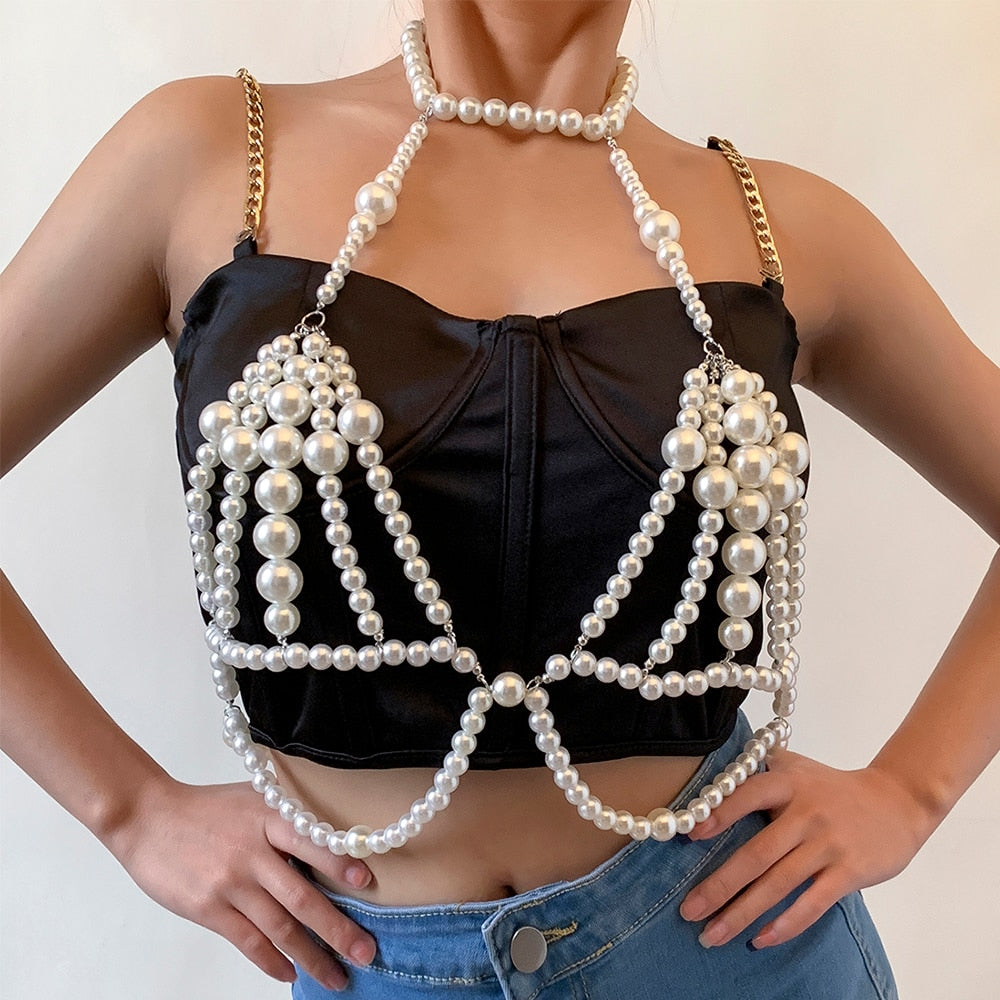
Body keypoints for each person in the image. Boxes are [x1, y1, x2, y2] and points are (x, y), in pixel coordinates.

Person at [2, 2, 998, 998]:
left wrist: (910, 792)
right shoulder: (212, 158)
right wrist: (129, 811)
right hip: (373, 962)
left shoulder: (779, 226)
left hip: (731, 944)